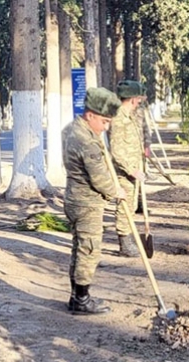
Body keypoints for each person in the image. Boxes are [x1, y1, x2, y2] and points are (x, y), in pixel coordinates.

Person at [61, 87, 126, 315]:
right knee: (89, 251)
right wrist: (116, 191)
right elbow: (99, 179)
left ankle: (75, 296)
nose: (106, 127)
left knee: (79, 249)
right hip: (86, 203)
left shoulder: (72, 129)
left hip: (74, 198)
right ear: (90, 115)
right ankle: (81, 300)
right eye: (105, 121)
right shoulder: (85, 141)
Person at [110, 79, 147, 254]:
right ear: (132, 99)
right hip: (125, 171)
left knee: (131, 206)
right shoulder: (119, 118)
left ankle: (128, 238)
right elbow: (116, 151)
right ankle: (124, 243)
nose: (139, 101)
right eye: (138, 98)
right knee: (124, 205)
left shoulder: (129, 116)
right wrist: (130, 169)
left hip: (133, 170)